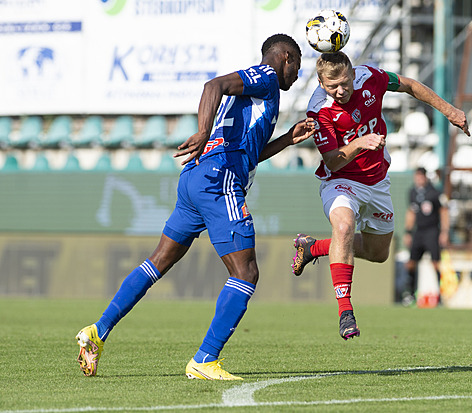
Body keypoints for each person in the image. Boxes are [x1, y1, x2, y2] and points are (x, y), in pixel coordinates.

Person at [76, 34, 314, 380]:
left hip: (196, 179)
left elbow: (249, 152)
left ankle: (97, 331)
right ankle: (204, 360)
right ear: (286, 58)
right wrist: (203, 130)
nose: (297, 76)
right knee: (245, 272)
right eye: (298, 67)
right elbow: (212, 85)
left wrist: (287, 139)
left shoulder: (258, 98)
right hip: (219, 180)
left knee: (157, 261)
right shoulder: (265, 76)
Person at [291, 51, 469, 339]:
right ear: (321, 83)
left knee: (378, 254)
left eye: (344, 83)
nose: (340, 91)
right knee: (344, 226)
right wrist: (361, 142)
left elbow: (410, 85)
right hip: (341, 181)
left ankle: (313, 248)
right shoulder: (319, 110)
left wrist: (449, 111)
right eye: (332, 86)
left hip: (377, 181)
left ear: (352, 73)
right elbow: (333, 160)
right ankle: (345, 312)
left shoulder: (370, 77)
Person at [401, 167, 449, 307]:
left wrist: (444, 232)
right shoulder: (412, 192)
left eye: (421, 176)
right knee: (411, 263)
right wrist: (408, 232)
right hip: (419, 231)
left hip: (432, 231)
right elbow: (411, 212)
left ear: (425, 177)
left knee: (435, 263)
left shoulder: (434, 192)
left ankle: (440, 296)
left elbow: (444, 211)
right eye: (417, 176)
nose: (419, 179)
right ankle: (410, 294)